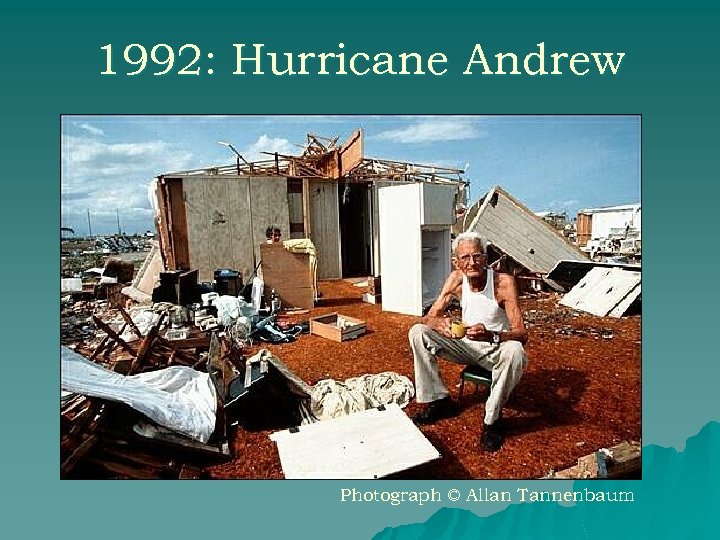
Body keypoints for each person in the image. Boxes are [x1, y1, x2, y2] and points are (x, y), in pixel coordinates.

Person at [408, 231, 528, 452]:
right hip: (464, 345)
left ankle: (492, 421)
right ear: (457, 262)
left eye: (477, 255)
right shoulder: (455, 279)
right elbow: (428, 316)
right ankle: (439, 400)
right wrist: (436, 323)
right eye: (465, 258)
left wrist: (491, 334)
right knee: (418, 332)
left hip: (494, 349)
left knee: (515, 350)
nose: (472, 262)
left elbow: (521, 333)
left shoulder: (503, 282)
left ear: (486, 257)